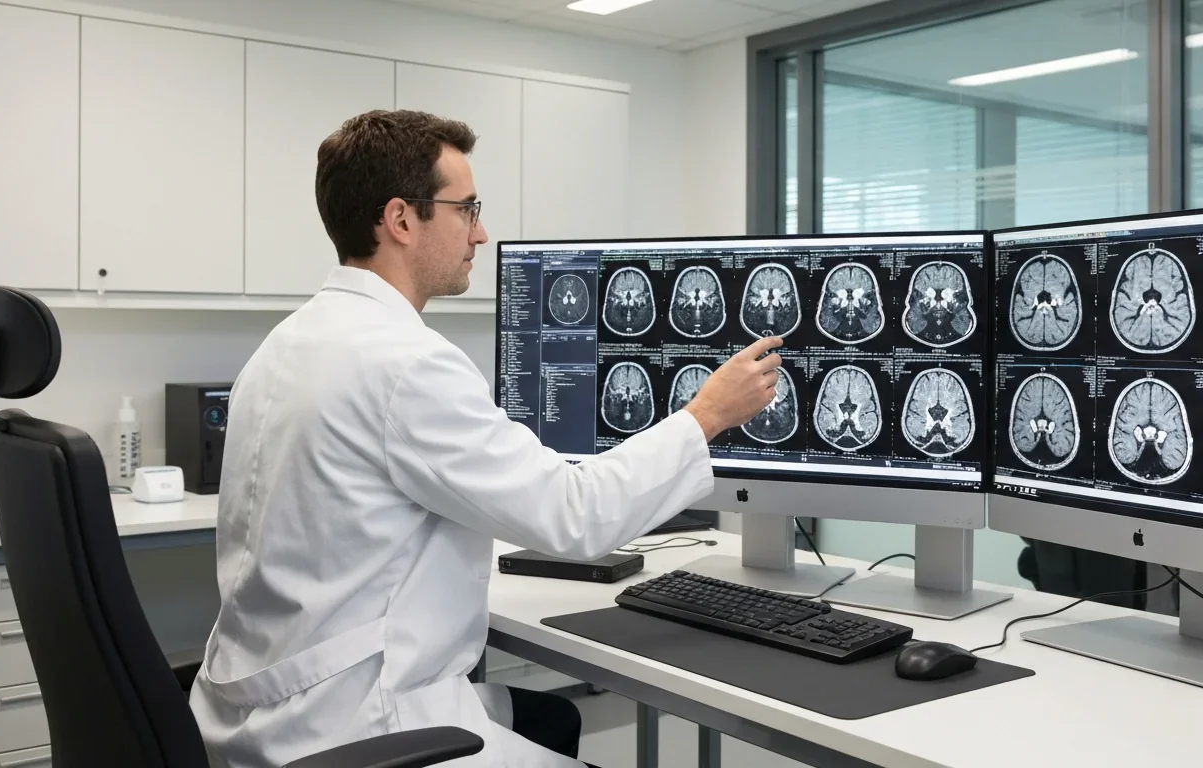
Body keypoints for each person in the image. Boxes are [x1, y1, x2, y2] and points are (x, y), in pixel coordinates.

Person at [187, 109, 783, 768]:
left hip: (261, 712)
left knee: (550, 718)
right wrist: (706, 415)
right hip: (360, 726)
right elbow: (574, 515)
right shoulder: (406, 363)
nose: (481, 232)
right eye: (466, 209)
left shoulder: (287, 343)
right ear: (402, 220)